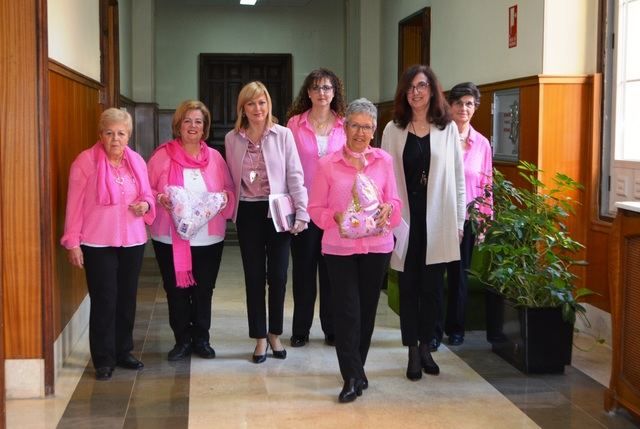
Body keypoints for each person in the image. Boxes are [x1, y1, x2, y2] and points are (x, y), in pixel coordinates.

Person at [308, 98, 401, 403]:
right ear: (344, 127)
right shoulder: (327, 165)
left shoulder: (384, 162)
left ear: (374, 130)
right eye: (355, 125)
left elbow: (396, 204)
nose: (361, 132)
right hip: (339, 248)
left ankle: (357, 368)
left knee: (367, 312)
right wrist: (334, 218)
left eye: (367, 127)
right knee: (347, 312)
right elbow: (315, 208)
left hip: (377, 247)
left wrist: (389, 208)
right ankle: (351, 376)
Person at [381, 65, 466, 381]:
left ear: (432, 90)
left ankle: (427, 345)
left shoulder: (448, 129)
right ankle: (412, 351)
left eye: (422, 86)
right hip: (405, 219)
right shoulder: (393, 129)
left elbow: (458, 179)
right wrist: (387, 220)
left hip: (439, 219)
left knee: (432, 288)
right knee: (408, 286)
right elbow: (385, 178)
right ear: (405, 93)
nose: (416, 92)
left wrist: (459, 221)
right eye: (410, 87)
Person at [61, 108, 155, 380]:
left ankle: (123, 351)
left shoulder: (136, 161)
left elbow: (148, 194)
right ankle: (103, 358)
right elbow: (74, 205)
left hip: (133, 241)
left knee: (127, 299)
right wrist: (72, 242)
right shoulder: (85, 162)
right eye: (110, 133)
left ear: (129, 136)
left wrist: (145, 204)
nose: (116, 139)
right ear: (100, 135)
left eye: (121, 133)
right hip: (97, 243)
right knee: (104, 300)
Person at [225, 81, 309, 364]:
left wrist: (302, 211)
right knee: (253, 276)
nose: (257, 108)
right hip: (248, 213)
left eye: (262, 102)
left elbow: (295, 175)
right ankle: (259, 337)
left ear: (268, 105)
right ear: (243, 108)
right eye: (251, 103)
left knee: (279, 276)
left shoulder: (283, 135)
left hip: (278, 212)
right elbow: (229, 180)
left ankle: (275, 333)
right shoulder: (232, 138)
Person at [148, 100, 235, 362]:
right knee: (176, 290)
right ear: (178, 125)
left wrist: (222, 199)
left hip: (209, 238)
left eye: (198, 121)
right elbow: (145, 191)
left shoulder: (216, 159)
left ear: (205, 127)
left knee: (204, 290)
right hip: (169, 237)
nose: (193, 126)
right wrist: (159, 197)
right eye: (188, 121)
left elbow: (230, 191)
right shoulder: (162, 156)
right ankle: (182, 340)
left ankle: (201, 339)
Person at [286, 68, 347, 348]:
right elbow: (287, 167)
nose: (322, 93)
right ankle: (301, 328)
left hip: (335, 213)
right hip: (304, 211)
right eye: (316, 88)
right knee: (303, 273)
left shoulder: (345, 125)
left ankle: (333, 328)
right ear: (308, 92)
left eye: (327, 88)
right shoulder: (294, 125)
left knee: (333, 273)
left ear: (335, 92)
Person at [440, 82, 493, 346]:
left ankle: (456, 328)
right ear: (449, 106)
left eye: (469, 103)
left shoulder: (482, 144)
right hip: (439, 216)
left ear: (475, 108)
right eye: (459, 103)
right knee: (437, 275)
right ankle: (434, 330)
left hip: (468, 219)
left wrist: (484, 221)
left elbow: (486, 185)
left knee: (459, 275)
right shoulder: (438, 137)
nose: (464, 108)